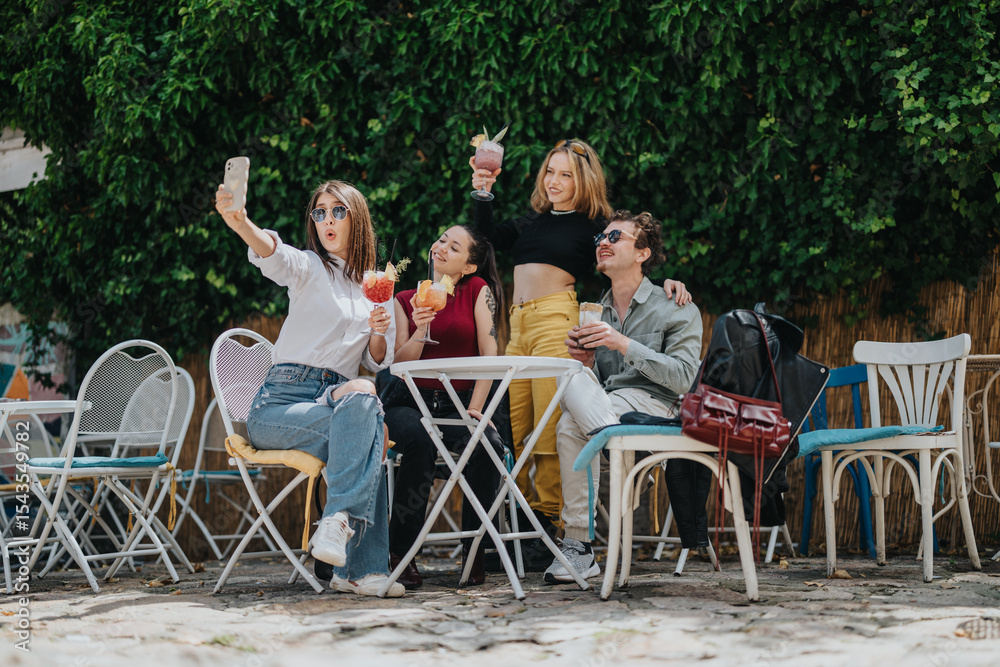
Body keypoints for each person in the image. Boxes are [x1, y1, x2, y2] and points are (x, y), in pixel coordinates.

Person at [470, 138, 692, 569]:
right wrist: (482, 192)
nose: (554, 181)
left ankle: (549, 531)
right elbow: (486, 240)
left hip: (556, 320)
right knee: (517, 431)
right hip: (517, 325)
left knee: (547, 430)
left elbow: (629, 251)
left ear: (583, 180)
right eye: (550, 172)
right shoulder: (533, 221)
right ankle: (525, 527)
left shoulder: (595, 224)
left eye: (566, 174)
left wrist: (668, 283)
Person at [214, 179, 402, 597]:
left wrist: (378, 329)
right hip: (279, 406)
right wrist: (241, 222)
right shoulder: (311, 268)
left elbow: (376, 360)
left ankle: (339, 532)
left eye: (338, 211)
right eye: (320, 212)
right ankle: (360, 568)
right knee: (373, 429)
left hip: (337, 401)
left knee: (365, 401)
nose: (327, 219)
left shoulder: (376, 287)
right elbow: (275, 255)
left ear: (357, 218)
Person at [543, 210, 703, 583]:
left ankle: (578, 546)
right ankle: (621, 449)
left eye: (615, 237)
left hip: (655, 408)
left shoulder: (674, 304)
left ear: (642, 253)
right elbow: (601, 385)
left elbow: (684, 378)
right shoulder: (595, 311)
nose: (603, 241)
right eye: (601, 237)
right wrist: (587, 362)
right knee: (570, 382)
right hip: (610, 407)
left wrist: (623, 344)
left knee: (569, 424)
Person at [382, 224, 506, 588]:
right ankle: (401, 554)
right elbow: (398, 364)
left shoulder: (478, 290)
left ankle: (475, 551)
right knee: (420, 441)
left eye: (454, 247)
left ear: (468, 266)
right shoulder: (405, 298)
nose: (441, 247)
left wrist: (476, 409)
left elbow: (489, 352)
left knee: (487, 445)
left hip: (458, 405)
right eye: (441, 240)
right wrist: (421, 329)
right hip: (408, 401)